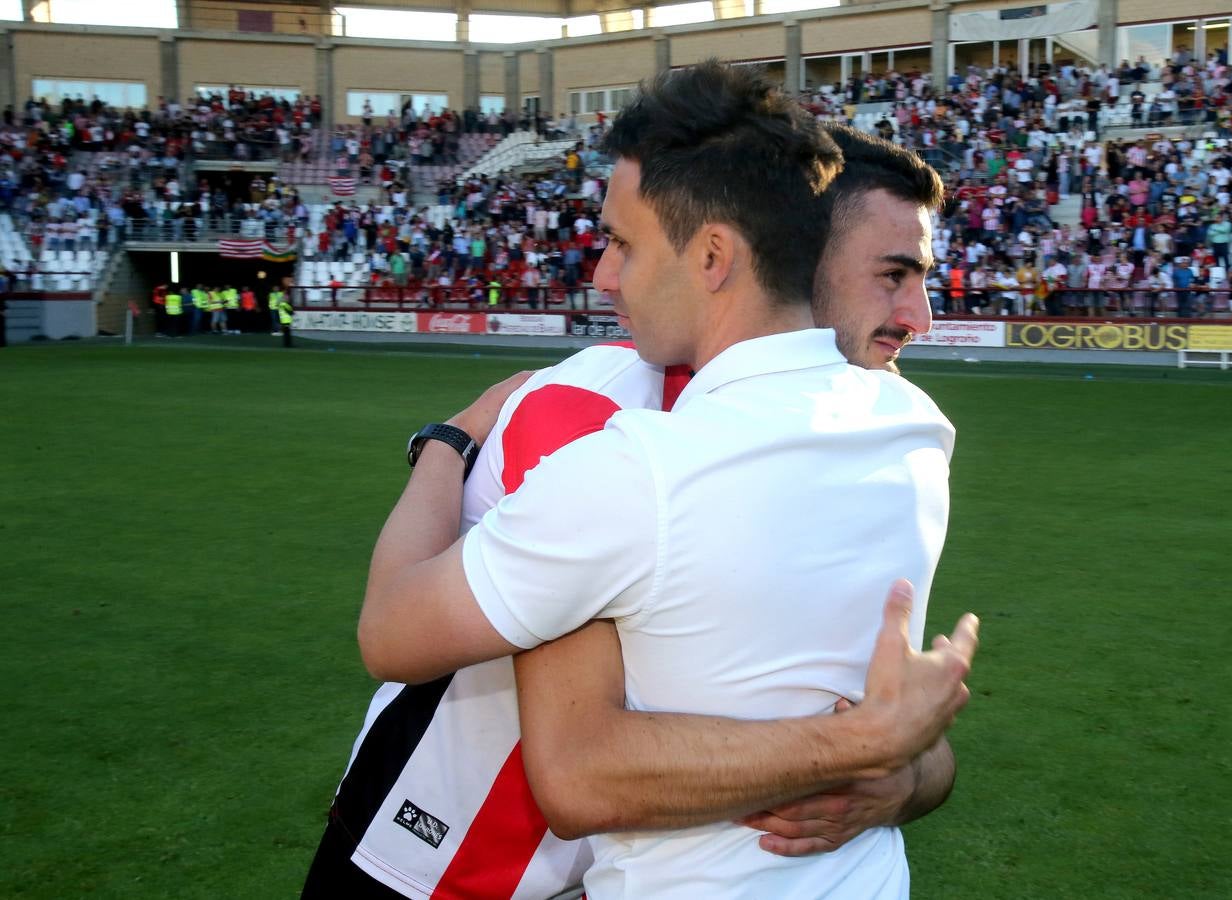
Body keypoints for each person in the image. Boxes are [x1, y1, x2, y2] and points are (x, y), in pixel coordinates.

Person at [307, 82, 973, 899]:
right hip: (434, 856)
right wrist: (451, 440)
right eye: (891, 274)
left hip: (588, 871)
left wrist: (903, 777)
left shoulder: (893, 427)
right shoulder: (602, 416)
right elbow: (575, 764)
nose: (918, 314)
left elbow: (879, 695)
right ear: (789, 253)